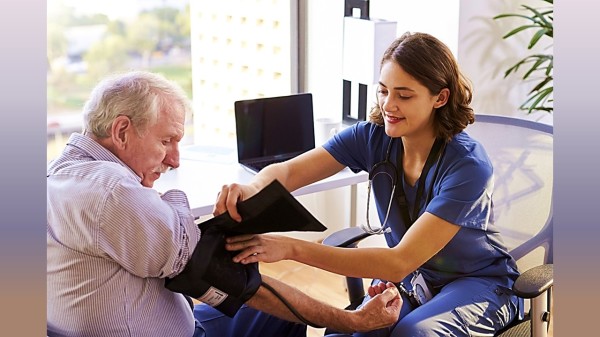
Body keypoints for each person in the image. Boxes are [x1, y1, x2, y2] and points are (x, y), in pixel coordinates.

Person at [46, 71, 401, 337]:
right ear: (121, 131)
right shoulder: (113, 193)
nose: (175, 161)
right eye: (167, 141)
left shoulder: (56, 177)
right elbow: (235, 284)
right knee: (272, 308)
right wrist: (355, 321)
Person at [214, 32, 522, 337]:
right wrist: (252, 189)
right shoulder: (372, 137)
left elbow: (398, 261)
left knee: (413, 333)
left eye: (404, 95)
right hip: (417, 282)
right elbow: (288, 173)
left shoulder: (468, 166)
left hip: (481, 286)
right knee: (349, 329)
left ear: (439, 98)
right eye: (383, 90)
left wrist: (290, 248)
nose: (389, 105)